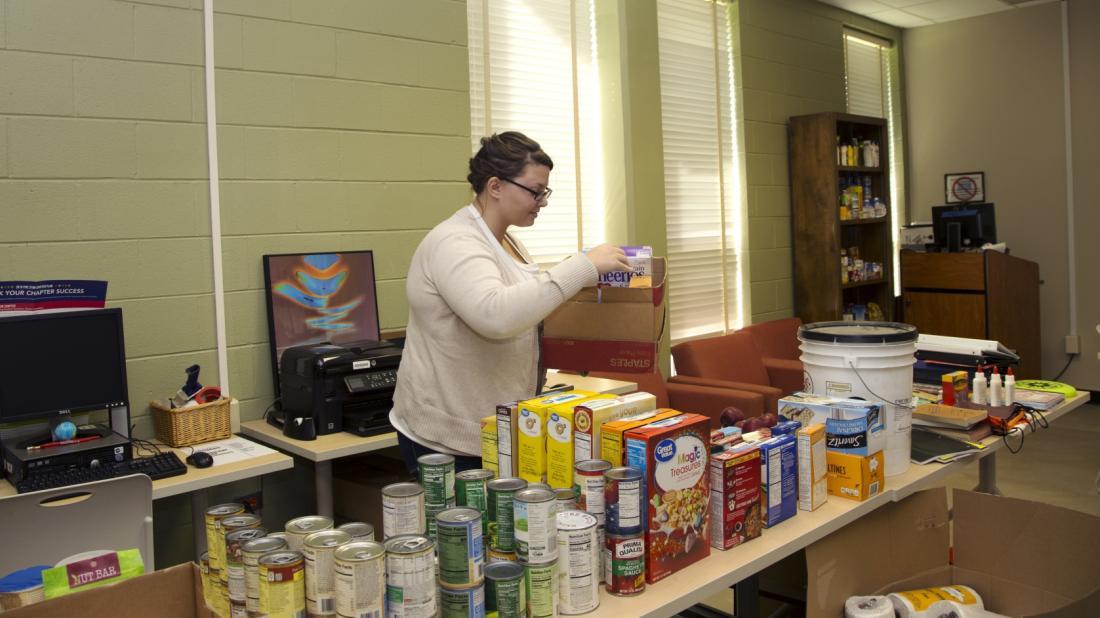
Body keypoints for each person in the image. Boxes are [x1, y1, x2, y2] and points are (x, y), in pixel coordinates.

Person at [389, 131, 630, 473]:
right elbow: (496, 316)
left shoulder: (508, 242)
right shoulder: (455, 242)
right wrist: (583, 265)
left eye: (545, 191)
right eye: (535, 191)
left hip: (495, 428)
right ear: (495, 186)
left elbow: (524, 310)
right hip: (449, 437)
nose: (542, 201)